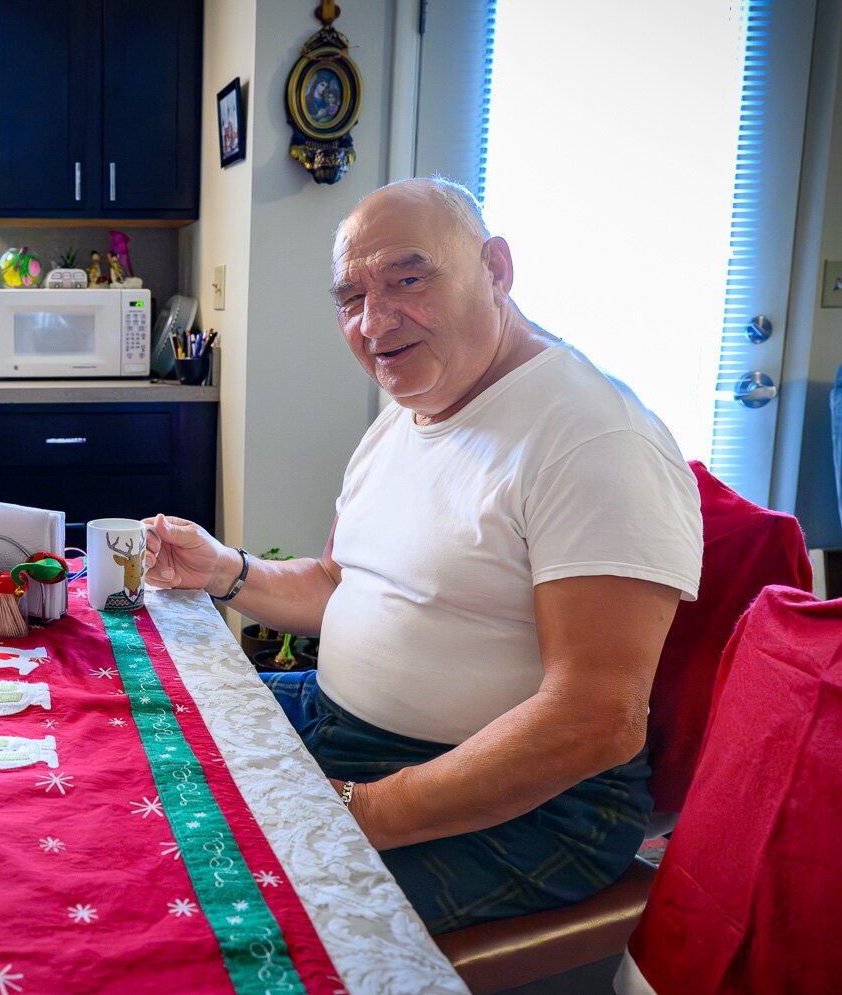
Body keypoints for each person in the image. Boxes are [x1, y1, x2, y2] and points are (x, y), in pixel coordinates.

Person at [144, 178, 702, 933]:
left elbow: (597, 716)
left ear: (496, 269)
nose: (374, 320)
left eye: (408, 279)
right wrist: (224, 571)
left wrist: (356, 811)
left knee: (216, 912)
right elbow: (344, 582)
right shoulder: (409, 411)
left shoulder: (593, 437)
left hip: (531, 808)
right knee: (139, 752)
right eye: (350, 296)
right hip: (339, 724)